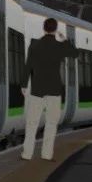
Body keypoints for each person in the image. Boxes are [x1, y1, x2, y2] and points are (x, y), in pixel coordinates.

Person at [21, 17, 76, 161]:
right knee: (51, 123)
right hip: (54, 89)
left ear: (44, 29)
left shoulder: (35, 45)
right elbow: (75, 53)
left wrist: (24, 84)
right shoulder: (59, 46)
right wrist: (64, 40)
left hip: (37, 89)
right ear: (55, 29)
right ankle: (46, 154)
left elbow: (28, 65)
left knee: (32, 123)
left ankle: (27, 154)